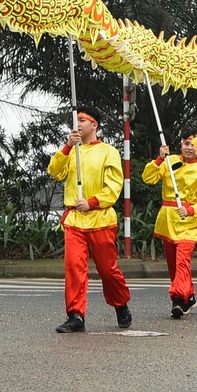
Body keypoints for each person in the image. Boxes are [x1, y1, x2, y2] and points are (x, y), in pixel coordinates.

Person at [48, 104, 132, 333]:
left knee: (107, 270)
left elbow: (114, 186)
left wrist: (92, 202)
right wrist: (67, 146)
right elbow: (54, 171)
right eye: (75, 121)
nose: (77, 124)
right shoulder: (71, 151)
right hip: (74, 220)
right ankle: (75, 315)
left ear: (94, 124)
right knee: (74, 268)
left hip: (101, 218)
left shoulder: (108, 152)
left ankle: (120, 303)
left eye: (81, 120)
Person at [143, 136, 197, 318]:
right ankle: (189, 297)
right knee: (174, 266)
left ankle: (178, 299)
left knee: (182, 262)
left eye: (194, 145)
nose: (189, 148)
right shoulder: (169, 161)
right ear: (181, 144)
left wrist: (190, 210)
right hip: (168, 221)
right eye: (186, 144)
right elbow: (148, 178)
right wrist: (159, 158)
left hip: (188, 224)